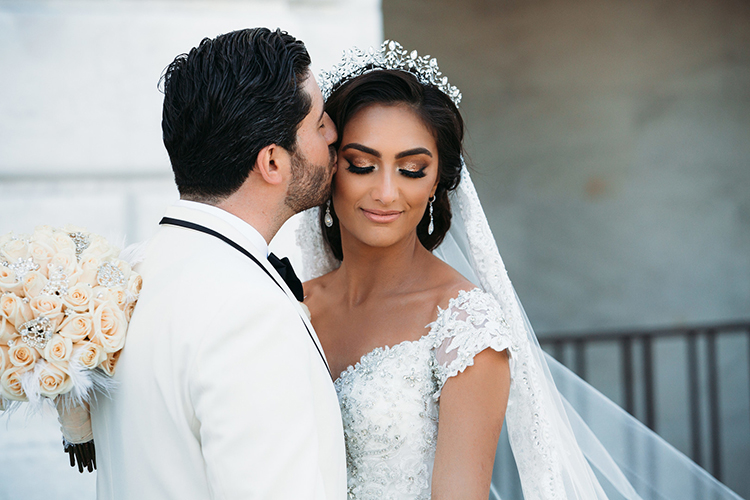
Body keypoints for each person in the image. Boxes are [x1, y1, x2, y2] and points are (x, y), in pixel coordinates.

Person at [295, 41, 744, 499]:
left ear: (436, 183)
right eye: (362, 165)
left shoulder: (463, 324)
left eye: (411, 169)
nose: (386, 192)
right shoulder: (292, 304)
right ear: (331, 168)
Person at [90, 28, 347, 499]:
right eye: (317, 123)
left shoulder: (134, 280)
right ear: (272, 162)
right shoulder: (248, 314)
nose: (334, 133)